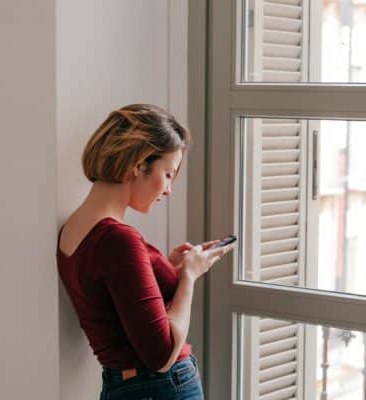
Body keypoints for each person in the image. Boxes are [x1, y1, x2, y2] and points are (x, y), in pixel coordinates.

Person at [56, 104, 234, 399]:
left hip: (124, 387)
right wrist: (189, 275)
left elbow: (119, 301)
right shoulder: (118, 239)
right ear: (139, 165)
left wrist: (161, 266)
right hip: (159, 387)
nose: (168, 190)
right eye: (167, 174)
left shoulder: (75, 227)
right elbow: (162, 356)